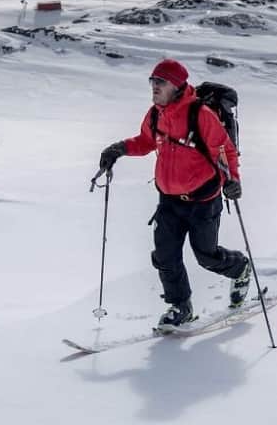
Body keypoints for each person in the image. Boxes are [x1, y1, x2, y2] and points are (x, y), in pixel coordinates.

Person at [95, 59, 249, 330]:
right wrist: (118, 149)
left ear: (176, 86)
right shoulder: (156, 114)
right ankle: (181, 306)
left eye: (160, 82)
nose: (154, 87)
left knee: (206, 255)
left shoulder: (200, 115)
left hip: (202, 200)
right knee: (165, 255)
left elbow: (225, 151)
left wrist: (232, 181)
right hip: (169, 200)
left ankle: (240, 269)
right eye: (152, 81)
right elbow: (145, 141)